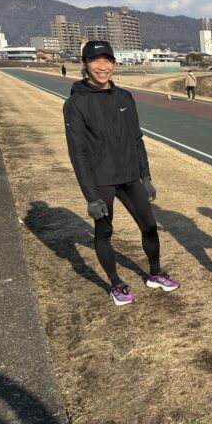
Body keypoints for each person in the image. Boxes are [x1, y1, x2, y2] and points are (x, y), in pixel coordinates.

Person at [63, 41, 180, 306]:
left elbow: (136, 139)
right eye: (95, 60)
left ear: (114, 64)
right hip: (101, 180)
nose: (102, 66)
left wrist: (145, 177)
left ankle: (155, 273)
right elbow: (77, 153)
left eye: (107, 60)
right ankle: (116, 285)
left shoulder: (125, 97)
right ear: (84, 64)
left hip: (129, 176)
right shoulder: (75, 103)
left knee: (149, 226)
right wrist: (91, 197)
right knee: (104, 233)